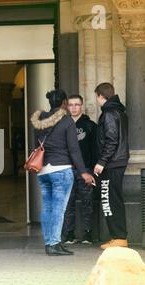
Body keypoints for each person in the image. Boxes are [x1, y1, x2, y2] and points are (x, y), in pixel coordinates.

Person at [30, 89, 94, 256]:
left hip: (43, 170)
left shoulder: (38, 122)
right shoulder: (66, 122)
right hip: (61, 169)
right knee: (58, 209)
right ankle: (54, 244)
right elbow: (74, 150)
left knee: (48, 208)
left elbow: (34, 147)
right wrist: (83, 172)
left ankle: (50, 242)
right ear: (64, 103)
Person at [93, 83, 130, 249]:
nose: (97, 100)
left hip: (111, 163)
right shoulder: (120, 112)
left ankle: (118, 237)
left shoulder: (108, 114)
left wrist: (101, 162)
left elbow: (111, 140)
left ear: (101, 96)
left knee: (108, 200)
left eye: (97, 97)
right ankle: (119, 236)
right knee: (115, 199)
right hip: (118, 161)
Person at [62, 94, 97, 245]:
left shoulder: (90, 126)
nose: (74, 107)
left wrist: (93, 169)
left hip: (86, 170)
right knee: (68, 203)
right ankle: (69, 234)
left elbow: (95, 149)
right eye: (71, 105)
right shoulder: (63, 125)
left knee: (87, 202)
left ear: (81, 106)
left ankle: (88, 234)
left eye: (77, 104)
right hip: (67, 170)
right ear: (67, 107)